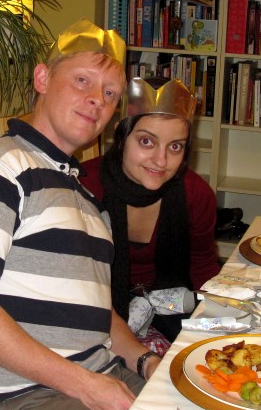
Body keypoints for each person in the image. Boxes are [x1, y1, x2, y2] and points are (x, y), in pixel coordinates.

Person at [0, 19, 162, 410]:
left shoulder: (82, 195)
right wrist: (87, 386)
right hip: (18, 396)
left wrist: (147, 362)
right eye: (83, 81)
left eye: (110, 94)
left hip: (93, 377)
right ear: (42, 78)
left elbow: (98, 314)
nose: (96, 100)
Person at [80, 77, 221, 345]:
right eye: (146, 141)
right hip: (98, 308)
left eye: (175, 146)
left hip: (170, 304)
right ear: (121, 137)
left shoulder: (196, 195)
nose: (161, 160)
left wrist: (218, 321)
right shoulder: (84, 188)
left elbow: (202, 267)